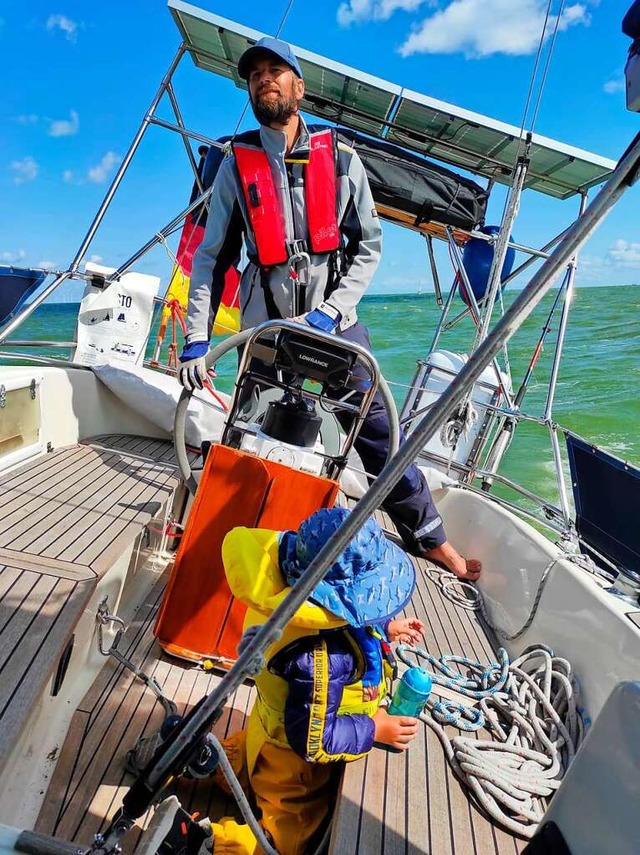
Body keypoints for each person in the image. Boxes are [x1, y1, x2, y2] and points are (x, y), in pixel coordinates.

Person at [177, 36, 480, 582]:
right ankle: (229, 534)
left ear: (299, 86)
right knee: (246, 430)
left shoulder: (340, 158)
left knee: (379, 432)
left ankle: (430, 539)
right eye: (254, 75)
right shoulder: (234, 165)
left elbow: (369, 244)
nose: (264, 79)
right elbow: (211, 259)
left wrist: (335, 310)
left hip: (333, 324)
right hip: (266, 326)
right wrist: (197, 337)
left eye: (276, 70)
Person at [148, 507, 424, 855]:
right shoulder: (322, 657)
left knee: (245, 766)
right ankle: (196, 840)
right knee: (288, 844)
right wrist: (374, 729)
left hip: (262, 733)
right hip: (292, 763)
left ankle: (184, 757)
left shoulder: (284, 594)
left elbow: (346, 619)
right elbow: (313, 740)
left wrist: (386, 628)